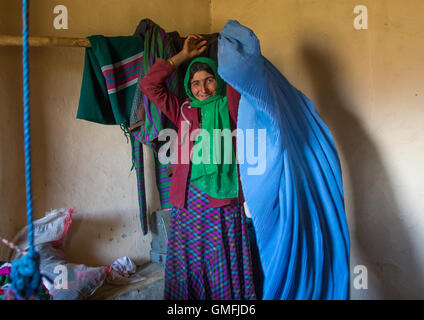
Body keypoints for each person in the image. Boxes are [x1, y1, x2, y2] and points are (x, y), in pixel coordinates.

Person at [140, 34, 256, 300]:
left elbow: (241, 77)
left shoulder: (232, 107)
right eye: (195, 83)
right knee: (190, 258)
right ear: (188, 87)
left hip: (222, 198)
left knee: (220, 256)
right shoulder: (182, 109)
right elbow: (149, 84)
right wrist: (181, 57)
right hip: (188, 200)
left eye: (209, 80)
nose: (202, 89)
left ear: (218, 80)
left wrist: (230, 52)